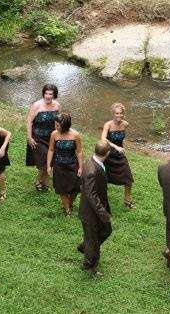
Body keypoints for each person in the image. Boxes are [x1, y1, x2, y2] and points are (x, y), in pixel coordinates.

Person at [77, 140, 111, 277]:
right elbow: (91, 195)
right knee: (94, 240)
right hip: (91, 213)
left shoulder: (92, 161)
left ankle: (85, 246)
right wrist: (103, 213)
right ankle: (89, 266)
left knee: (106, 230)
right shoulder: (92, 170)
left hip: (94, 210)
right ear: (107, 153)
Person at [47, 113, 83, 216]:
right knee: (62, 189)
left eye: (58, 125)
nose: (55, 127)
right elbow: (51, 149)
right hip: (59, 165)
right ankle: (67, 211)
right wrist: (48, 165)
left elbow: (79, 151)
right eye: (55, 124)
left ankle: (69, 203)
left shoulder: (75, 135)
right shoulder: (54, 134)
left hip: (72, 165)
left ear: (65, 125)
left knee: (76, 188)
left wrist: (81, 166)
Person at [26, 84, 60, 191]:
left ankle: (44, 181)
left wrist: (59, 134)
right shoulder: (37, 105)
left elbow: (58, 122)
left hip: (51, 137)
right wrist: (29, 137)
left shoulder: (57, 105)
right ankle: (39, 181)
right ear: (43, 93)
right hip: (37, 138)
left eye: (50, 94)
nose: (48, 96)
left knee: (50, 161)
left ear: (54, 95)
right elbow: (29, 121)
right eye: (46, 93)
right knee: (45, 159)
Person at [101, 102, 135, 208]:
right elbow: (103, 139)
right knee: (103, 180)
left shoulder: (125, 124)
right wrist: (116, 147)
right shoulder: (108, 125)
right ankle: (101, 200)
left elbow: (121, 140)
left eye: (121, 113)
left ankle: (127, 201)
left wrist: (121, 148)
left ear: (123, 114)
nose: (118, 115)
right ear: (113, 114)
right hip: (108, 155)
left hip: (120, 155)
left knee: (128, 179)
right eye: (116, 113)